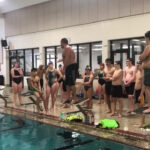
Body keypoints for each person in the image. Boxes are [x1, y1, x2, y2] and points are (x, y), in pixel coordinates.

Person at [58, 38, 78, 105]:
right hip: (69, 67)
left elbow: (67, 60)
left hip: (71, 67)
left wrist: (64, 69)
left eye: (60, 43)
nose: (60, 44)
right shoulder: (67, 49)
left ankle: (75, 98)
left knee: (72, 84)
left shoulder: (67, 48)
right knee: (67, 84)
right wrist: (61, 60)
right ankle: (68, 98)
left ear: (63, 42)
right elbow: (66, 58)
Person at [139, 31, 150, 113]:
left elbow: (142, 57)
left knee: (147, 88)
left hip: (148, 70)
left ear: (147, 38)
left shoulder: (148, 46)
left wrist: (140, 56)